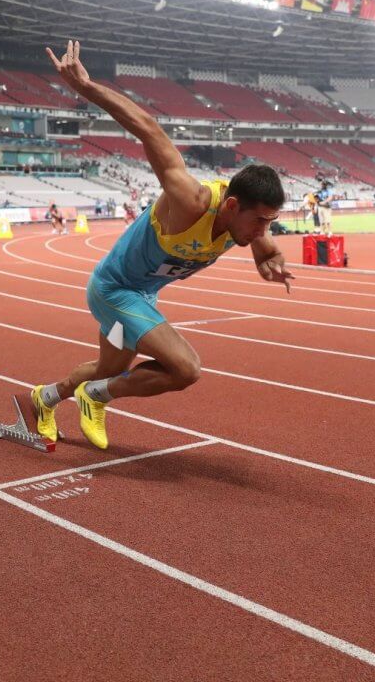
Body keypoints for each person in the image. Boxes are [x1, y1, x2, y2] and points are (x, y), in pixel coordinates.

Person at [29, 40, 292, 450]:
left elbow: (265, 247)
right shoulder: (191, 200)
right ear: (233, 204)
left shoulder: (248, 226)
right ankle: (95, 398)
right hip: (114, 290)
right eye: (259, 221)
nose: (261, 231)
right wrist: (86, 88)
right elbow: (149, 128)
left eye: (269, 224)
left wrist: (271, 257)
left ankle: (44, 398)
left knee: (106, 367)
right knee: (186, 369)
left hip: (141, 295)